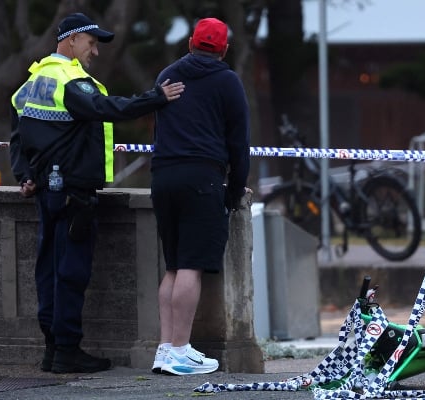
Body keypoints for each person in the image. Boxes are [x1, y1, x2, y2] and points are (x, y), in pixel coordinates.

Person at [9, 12, 185, 374]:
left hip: (46, 189)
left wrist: (24, 173)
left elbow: (17, 130)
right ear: (71, 40)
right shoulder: (69, 79)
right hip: (73, 192)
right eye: (91, 43)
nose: (96, 52)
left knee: (48, 271)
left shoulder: (33, 81)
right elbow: (107, 108)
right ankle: (68, 351)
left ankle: (52, 350)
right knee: (71, 271)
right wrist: (156, 98)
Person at [149, 17, 250, 375]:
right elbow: (238, 144)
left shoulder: (167, 74)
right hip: (201, 178)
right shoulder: (227, 81)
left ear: (191, 42)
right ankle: (180, 350)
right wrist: (235, 191)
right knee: (191, 264)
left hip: (163, 176)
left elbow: (158, 126)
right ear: (223, 49)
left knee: (173, 264)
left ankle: (164, 348)